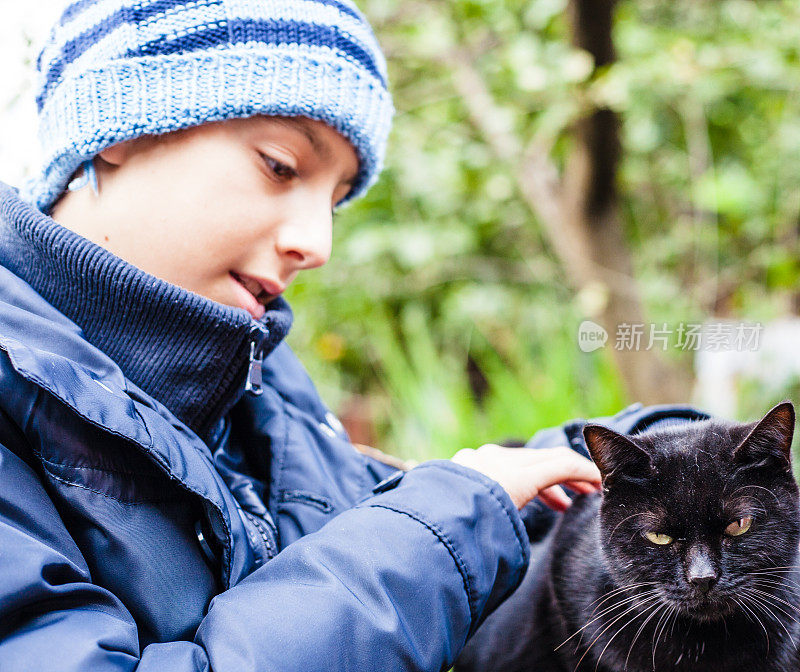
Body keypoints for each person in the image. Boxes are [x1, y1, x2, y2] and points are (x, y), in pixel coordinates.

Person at [0, 1, 602, 670]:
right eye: (280, 167)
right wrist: (442, 528)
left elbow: (399, 525)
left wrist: (660, 458)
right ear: (117, 124)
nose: (317, 243)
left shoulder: (264, 386)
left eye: (337, 198)